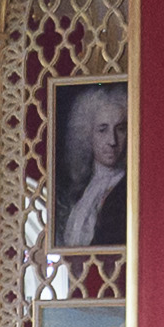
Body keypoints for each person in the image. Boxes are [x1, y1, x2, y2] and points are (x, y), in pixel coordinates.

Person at [55, 91, 127, 249]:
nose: (112, 141)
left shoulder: (126, 190)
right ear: (87, 134)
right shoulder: (82, 187)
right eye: (103, 130)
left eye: (120, 129)